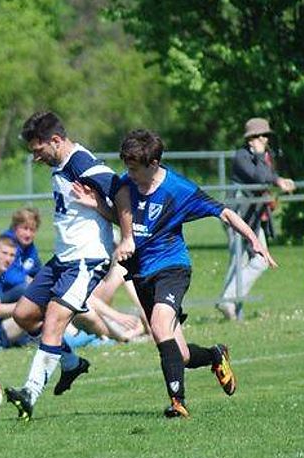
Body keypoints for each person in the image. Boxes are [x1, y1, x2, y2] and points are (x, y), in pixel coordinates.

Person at [98, 128, 276, 418]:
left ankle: (177, 402)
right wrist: (91, 204)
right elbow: (120, 216)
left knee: (158, 324)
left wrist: (253, 240)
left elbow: (225, 212)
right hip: (141, 273)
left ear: (153, 164)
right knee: (179, 354)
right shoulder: (126, 184)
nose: (128, 174)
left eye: (133, 168)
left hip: (172, 267)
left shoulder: (179, 189)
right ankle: (216, 354)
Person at [4, 111, 132, 422]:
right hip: (62, 259)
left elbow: (123, 194)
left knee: (54, 319)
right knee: (23, 315)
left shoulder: (81, 163)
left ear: (56, 141)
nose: (36, 158)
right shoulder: (60, 163)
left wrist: (126, 236)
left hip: (87, 260)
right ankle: (71, 363)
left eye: (38, 150)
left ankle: (29, 393)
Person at [216, 117, 296, 320]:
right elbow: (261, 177)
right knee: (240, 260)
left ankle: (227, 302)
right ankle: (228, 303)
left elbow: (268, 176)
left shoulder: (266, 156)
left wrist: (280, 181)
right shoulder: (242, 157)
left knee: (257, 260)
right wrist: (275, 176)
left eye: (266, 136)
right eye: (259, 136)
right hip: (237, 216)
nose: (264, 140)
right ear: (250, 139)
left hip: (254, 216)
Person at [0, 207, 43, 300]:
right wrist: (28, 280)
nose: (28, 234)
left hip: (11, 289)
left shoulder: (30, 249)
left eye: (32, 230)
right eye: (25, 228)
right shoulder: (7, 245)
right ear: (15, 228)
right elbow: (9, 278)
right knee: (28, 289)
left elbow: (38, 271)